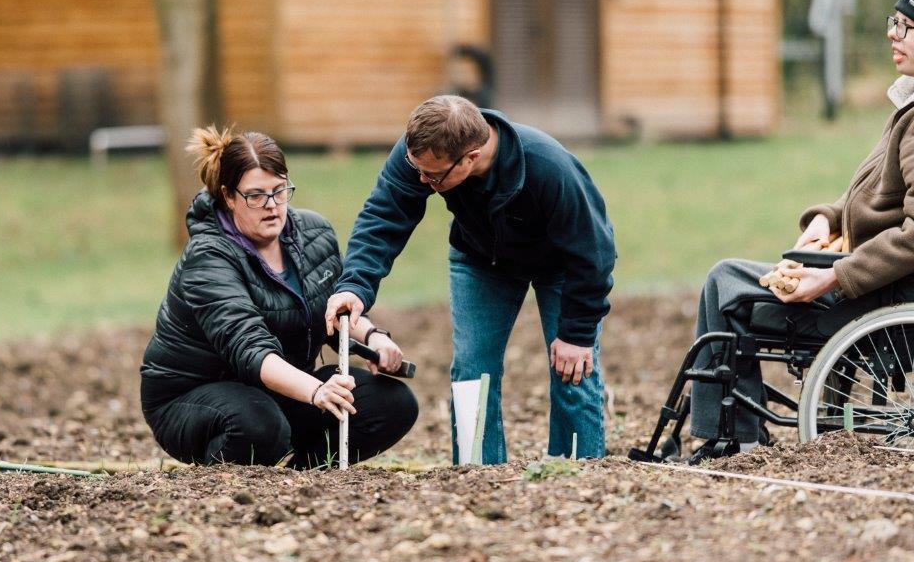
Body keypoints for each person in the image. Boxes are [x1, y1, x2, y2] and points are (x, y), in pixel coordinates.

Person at [687, 0, 914, 461]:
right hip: (878, 278)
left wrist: (831, 280)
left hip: (882, 294)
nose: (892, 35)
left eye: (904, 25)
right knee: (730, 278)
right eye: (892, 22)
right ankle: (731, 431)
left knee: (725, 282)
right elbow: (881, 194)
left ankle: (732, 439)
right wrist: (826, 219)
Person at [325, 96, 616, 464]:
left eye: (432, 176)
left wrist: (576, 334)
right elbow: (384, 215)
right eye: (418, 170)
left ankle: (578, 470)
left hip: (562, 265)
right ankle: (477, 470)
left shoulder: (547, 167)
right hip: (480, 258)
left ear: (471, 157)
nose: (421, 180)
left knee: (573, 368)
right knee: (471, 371)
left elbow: (594, 252)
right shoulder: (422, 151)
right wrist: (355, 286)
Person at [140, 126, 418, 467]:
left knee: (392, 403)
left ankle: (302, 475)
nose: (272, 206)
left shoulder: (314, 232)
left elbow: (333, 309)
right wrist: (317, 392)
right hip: (194, 396)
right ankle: (222, 484)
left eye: (279, 191)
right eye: (255, 196)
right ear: (228, 196)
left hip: (280, 388)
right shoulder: (208, 257)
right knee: (259, 425)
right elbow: (250, 349)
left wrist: (373, 338)